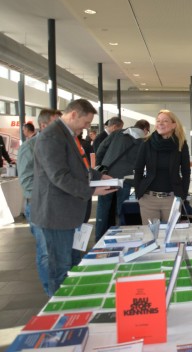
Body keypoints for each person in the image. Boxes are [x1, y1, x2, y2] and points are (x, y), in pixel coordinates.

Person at [30, 99, 116, 296]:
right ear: (74, 114)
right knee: (60, 267)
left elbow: (79, 168)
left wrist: (98, 176)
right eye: (86, 122)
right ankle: (59, 312)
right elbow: (59, 176)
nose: (87, 127)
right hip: (56, 215)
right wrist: (93, 191)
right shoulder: (52, 137)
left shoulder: (67, 135)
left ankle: (73, 303)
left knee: (73, 261)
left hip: (71, 213)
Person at [16, 108, 62, 296]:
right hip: (39, 206)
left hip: (61, 206)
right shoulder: (29, 147)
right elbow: (26, 181)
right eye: (58, 123)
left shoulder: (61, 145)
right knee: (46, 253)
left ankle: (61, 288)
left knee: (61, 252)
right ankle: (51, 293)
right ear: (44, 125)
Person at [95, 119, 150, 241]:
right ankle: (121, 239)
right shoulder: (144, 141)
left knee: (103, 208)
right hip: (125, 179)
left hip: (106, 175)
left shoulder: (117, 133)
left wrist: (100, 166)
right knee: (122, 210)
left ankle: (99, 239)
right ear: (145, 129)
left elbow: (101, 149)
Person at [134, 110, 191, 223]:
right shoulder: (146, 143)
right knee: (151, 237)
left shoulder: (181, 144)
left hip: (172, 199)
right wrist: (138, 193)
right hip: (148, 199)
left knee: (171, 237)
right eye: (158, 121)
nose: (160, 123)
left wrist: (183, 195)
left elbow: (186, 172)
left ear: (174, 125)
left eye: (165, 121)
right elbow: (138, 169)